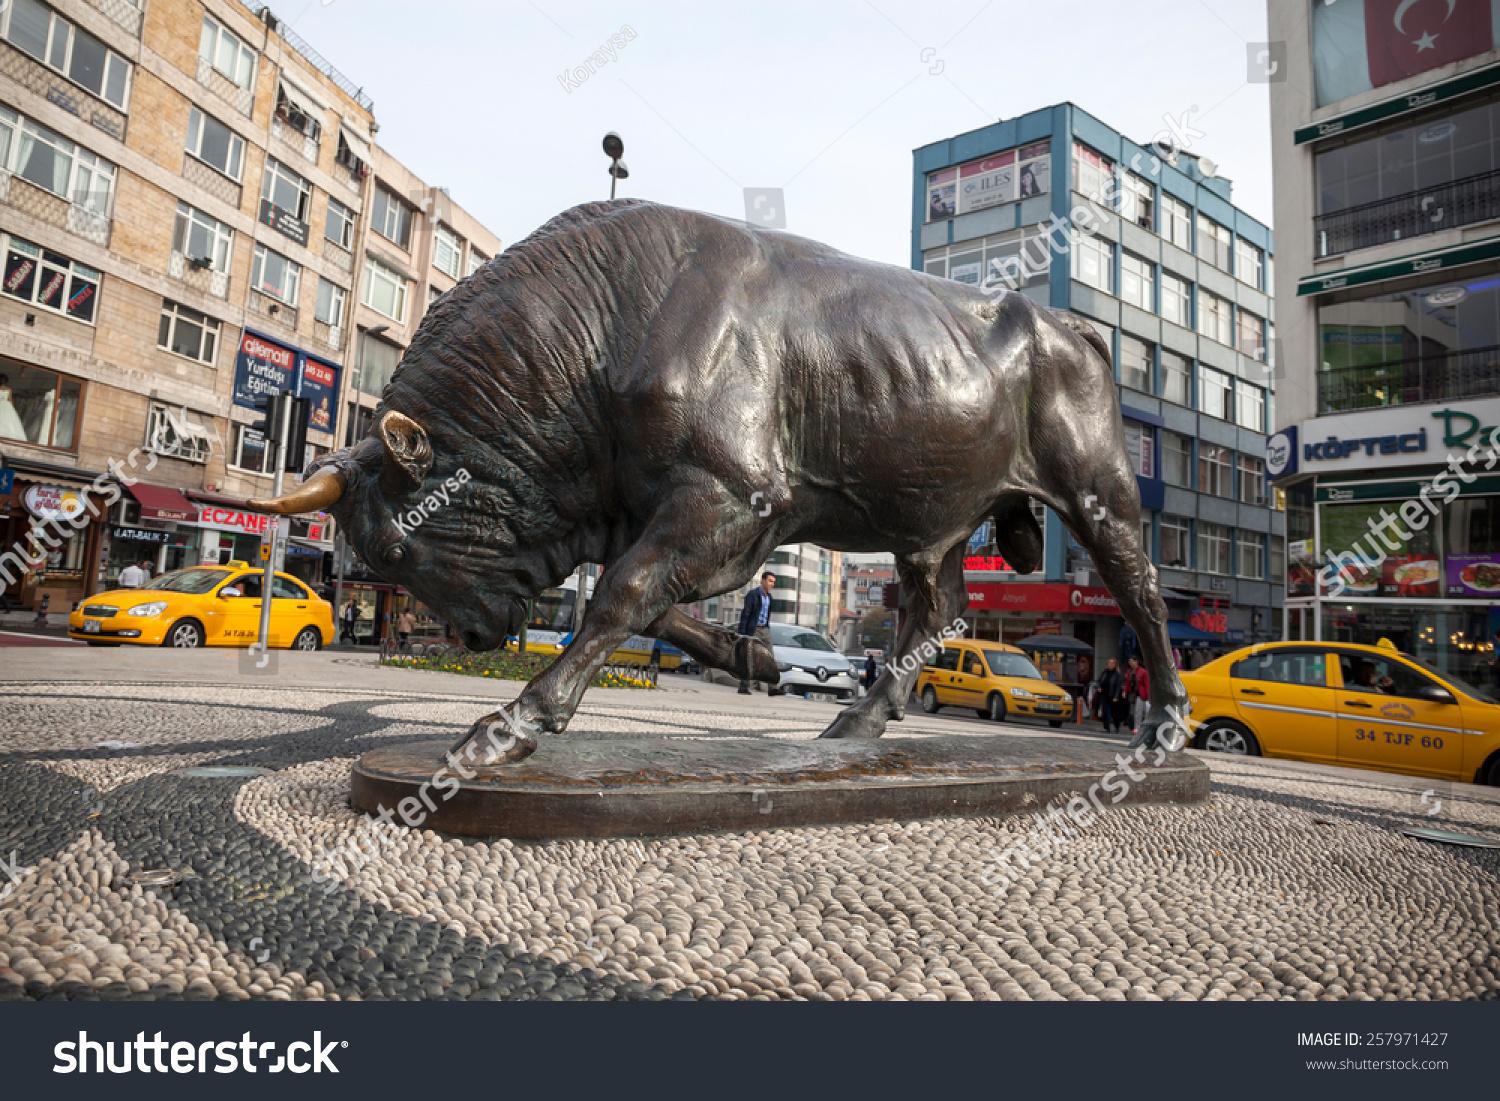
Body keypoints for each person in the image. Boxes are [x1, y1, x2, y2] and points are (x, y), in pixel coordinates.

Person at [736, 571, 776, 695]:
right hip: (753, 629)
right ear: (763, 580)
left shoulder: (769, 597)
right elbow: (745, 614)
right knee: (749, 657)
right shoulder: (753, 595)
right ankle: (743, 686)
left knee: (770, 657)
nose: (772, 584)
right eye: (770, 581)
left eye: (773, 582)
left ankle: (773, 688)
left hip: (765, 629)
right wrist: (742, 632)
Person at [1094, 658, 1125, 733]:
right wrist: (1099, 687)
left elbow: (1118, 686)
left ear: (1115, 665)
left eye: (1113, 663)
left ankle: (1116, 726)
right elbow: (1099, 681)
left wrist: (1116, 696)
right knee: (1104, 711)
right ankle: (1106, 727)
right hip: (1104, 694)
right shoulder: (1104, 672)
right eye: (1110, 663)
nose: (1111, 664)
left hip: (1113, 695)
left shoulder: (1117, 675)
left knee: (1114, 712)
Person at [1126, 655, 1150, 734]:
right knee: (1135, 711)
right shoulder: (1129, 671)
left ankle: (1140, 727)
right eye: (1130, 661)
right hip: (1133, 693)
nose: (1131, 663)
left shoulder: (1142, 671)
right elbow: (1127, 682)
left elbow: (1146, 684)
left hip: (1141, 694)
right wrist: (1125, 691)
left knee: (1141, 711)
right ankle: (1137, 727)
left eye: (1132, 661)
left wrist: (1148, 696)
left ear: (1136, 662)